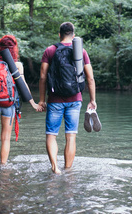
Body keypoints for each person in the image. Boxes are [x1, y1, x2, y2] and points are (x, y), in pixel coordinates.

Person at [38, 22, 97, 174]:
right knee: (71, 136)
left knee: (51, 135)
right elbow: (90, 78)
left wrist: (42, 100)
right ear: (73, 35)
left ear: (59, 34)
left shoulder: (50, 50)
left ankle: (54, 167)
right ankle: (68, 171)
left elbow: (43, 77)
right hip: (75, 99)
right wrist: (92, 100)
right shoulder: (81, 51)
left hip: (54, 99)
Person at [0, 35, 40, 167]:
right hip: (10, 104)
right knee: (5, 137)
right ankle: (3, 165)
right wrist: (33, 103)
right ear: (14, 49)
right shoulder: (17, 65)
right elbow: (23, 85)